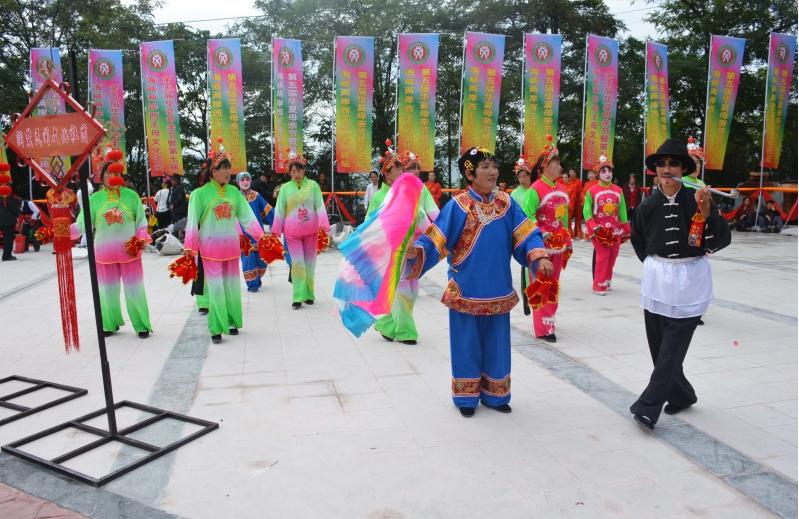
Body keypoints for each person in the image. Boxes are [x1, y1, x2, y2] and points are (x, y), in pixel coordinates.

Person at [403, 147, 552, 417]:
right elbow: (436, 237)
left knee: (497, 345)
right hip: (466, 288)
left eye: (493, 166)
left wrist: (538, 255)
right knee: (466, 345)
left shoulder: (506, 204)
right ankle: (466, 398)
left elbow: (527, 234)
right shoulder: (458, 205)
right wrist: (419, 251)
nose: (492, 171)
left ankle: (496, 395)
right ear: (470, 174)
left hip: (497, 288)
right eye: (484, 167)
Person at [629, 138, 731, 431]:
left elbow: (721, 240)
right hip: (658, 281)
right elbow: (638, 241)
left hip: (691, 281)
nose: (667, 169)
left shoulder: (698, 199)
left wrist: (708, 213)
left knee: (672, 349)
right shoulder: (647, 205)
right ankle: (682, 395)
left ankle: (648, 407)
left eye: (673, 164)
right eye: (662, 164)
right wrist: (656, 266)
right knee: (659, 347)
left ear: (684, 169)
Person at [183, 143, 266, 343]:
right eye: (224, 168)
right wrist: (189, 248)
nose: (229, 172)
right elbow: (192, 223)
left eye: (229, 168)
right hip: (210, 250)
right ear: (214, 171)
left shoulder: (234, 192)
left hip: (231, 248)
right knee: (216, 288)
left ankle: (231, 321)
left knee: (231, 287)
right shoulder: (199, 194)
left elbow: (247, 218)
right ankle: (216, 327)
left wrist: (262, 237)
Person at [70, 149, 153, 338]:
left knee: (135, 289)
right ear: (101, 176)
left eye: (116, 172)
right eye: (108, 172)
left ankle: (141, 325)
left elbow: (141, 223)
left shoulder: (131, 196)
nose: (113, 176)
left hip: (130, 252)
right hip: (104, 253)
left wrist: (139, 241)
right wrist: (62, 230)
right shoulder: (94, 199)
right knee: (107, 291)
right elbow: (82, 225)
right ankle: (109, 324)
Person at [367, 143, 439, 345]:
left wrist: (436, 235)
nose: (402, 172)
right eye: (398, 169)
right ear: (387, 173)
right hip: (391, 250)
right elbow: (370, 223)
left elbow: (420, 216)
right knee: (403, 291)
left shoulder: (408, 192)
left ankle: (387, 324)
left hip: (411, 249)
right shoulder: (379, 196)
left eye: (402, 168)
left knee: (412, 290)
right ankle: (406, 331)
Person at [522, 136, 572, 343]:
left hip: (558, 245)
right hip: (540, 246)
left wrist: (567, 238)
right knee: (541, 283)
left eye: (559, 163)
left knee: (554, 284)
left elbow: (564, 218)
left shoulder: (561, 189)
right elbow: (526, 217)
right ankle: (543, 327)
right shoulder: (534, 190)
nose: (560, 166)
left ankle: (549, 319)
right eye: (556, 163)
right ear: (545, 166)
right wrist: (542, 232)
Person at [272, 152, 330, 309]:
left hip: (311, 231)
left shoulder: (313, 186)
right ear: (289, 173)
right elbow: (279, 209)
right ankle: (297, 297)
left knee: (310, 264)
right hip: (292, 234)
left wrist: (324, 226)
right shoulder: (285, 188)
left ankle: (309, 294)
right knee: (297, 264)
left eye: (299, 170)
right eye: (293, 171)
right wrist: (276, 230)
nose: (296, 174)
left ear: (304, 170)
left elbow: (319, 206)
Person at [583, 156, 629, 295]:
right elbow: (586, 210)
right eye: (603, 171)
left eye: (609, 171)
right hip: (600, 230)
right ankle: (598, 284)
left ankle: (606, 280)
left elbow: (622, 210)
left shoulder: (618, 190)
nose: (607, 174)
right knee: (603, 256)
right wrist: (593, 225)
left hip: (615, 230)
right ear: (598, 174)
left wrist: (625, 226)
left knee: (613, 256)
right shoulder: (592, 191)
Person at [236, 171, 274, 292]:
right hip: (243, 236)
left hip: (258, 234)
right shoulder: (235, 197)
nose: (245, 182)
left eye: (247, 179)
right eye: (242, 180)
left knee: (262, 261)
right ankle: (252, 284)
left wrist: (277, 223)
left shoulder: (256, 196)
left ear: (251, 181)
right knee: (248, 261)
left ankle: (257, 277)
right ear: (238, 183)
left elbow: (267, 211)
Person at [0, 164, 19, 261]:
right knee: (8, 238)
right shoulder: (7, 196)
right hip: (8, 221)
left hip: (2, 220)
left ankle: (6, 255)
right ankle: (7, 255)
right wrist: (17, 214)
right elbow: (13, 208)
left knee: (6, 238)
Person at [577, 170, 598, 238]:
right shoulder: (586, 183)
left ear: (595, 175)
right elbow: (583, 192)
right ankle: (589, 234)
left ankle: (596, 234)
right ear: (588, 176)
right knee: (588, 218)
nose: (591, 175)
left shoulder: (598, 183)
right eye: (589, 174)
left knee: (595, 218)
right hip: (587, 203)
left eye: (592, 174)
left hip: (595, 203)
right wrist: (584, 197)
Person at [564, 169, 582, 237]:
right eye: (563, 177)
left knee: (571, 219)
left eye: (565, 177)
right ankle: (566, 234)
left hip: (572, 204)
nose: (564, 179)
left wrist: (570, 206)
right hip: (562, 206)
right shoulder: (561, 185)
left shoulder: (574, 185)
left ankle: (574, 233)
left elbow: (573, 197)